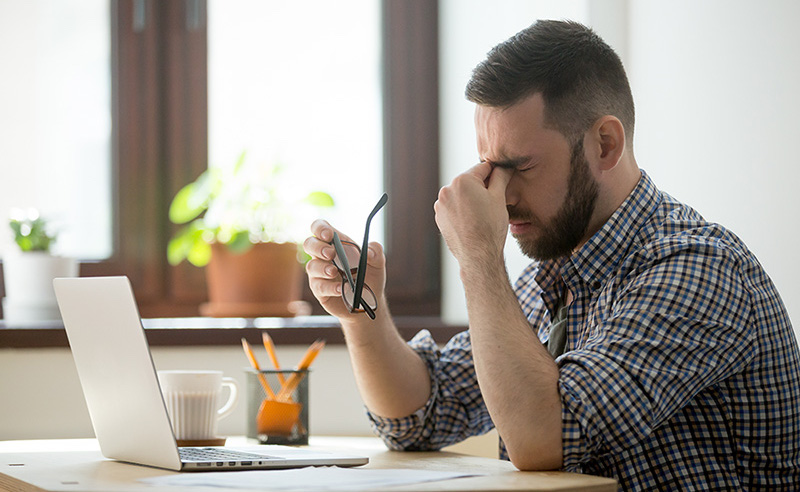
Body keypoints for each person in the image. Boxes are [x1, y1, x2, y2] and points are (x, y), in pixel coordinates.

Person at [303, 19, 800, 490]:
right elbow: (419, 415)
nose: (500, 194)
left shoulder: (698, 268)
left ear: (605, 144)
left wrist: (479, 255)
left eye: (520, 166)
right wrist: (362, 314)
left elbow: (546, 437)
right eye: (489, 169)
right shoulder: (554, 272)